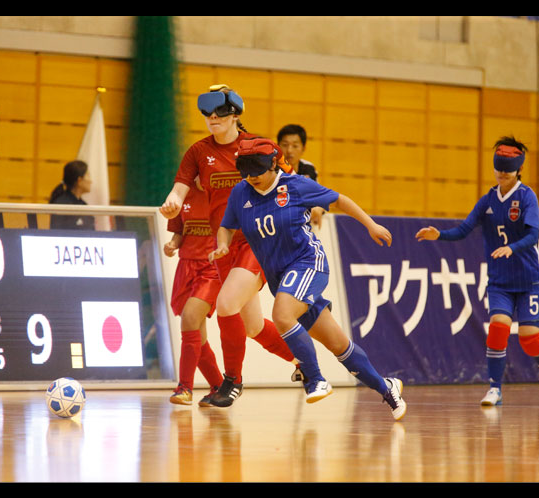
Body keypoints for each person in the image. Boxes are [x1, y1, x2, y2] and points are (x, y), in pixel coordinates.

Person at [210, 137, 407, 419]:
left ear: (273, 165)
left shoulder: (296, 185)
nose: (251, 178)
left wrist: (370, 225)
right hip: (281, 276)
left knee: (281, 314)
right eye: (246, 172)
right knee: (338, 345)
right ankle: (387, 388)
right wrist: (223, 244)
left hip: (307, 263)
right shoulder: (241, 192)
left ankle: (315, 379)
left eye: (257, 172)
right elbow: (226, 226)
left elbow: (339, 200)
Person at [160, 84, 300, 408]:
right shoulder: (197, 152)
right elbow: (179, 189)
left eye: (220, 113)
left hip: (256, 241)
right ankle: (303, 360)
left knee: (225, 305)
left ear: (235, 114)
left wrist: (313, 205)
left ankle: (232, 381)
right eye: (207, 114)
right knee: (251, 325)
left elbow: (293, 180)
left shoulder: (256, 147)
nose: (212, 118)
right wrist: (171, 203)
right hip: (222, 245)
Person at [415, 136, 539, 406]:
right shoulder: (488, 201)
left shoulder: (527, 197)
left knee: (528, 336)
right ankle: (495, 388)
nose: (502, 173)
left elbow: (533, 235)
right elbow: (464, 229)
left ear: (518, 170)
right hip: (500, 281)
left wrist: (511, 248)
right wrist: (439, 235)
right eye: (498, 168)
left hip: (530, 280)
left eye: (508, 169)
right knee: (498, 328)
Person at [164, 177, 224, 406]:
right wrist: (172, 244)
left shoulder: (221, 196)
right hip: (186, 267)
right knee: (198, 335)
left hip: (211, 268)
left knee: (189, 320)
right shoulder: (182, 195)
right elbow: (180, 232)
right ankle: (219, 386)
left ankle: (185, 387)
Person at [49, 160, 95, 230]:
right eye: (88, 175)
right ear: (79, 180)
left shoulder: (84, 205)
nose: (91, 181)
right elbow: (57, 233)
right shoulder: (61, 205)